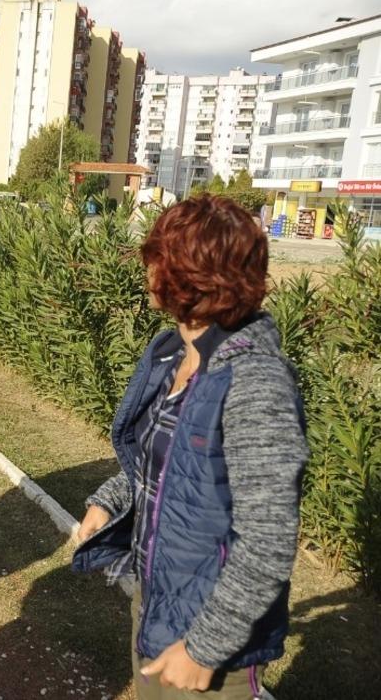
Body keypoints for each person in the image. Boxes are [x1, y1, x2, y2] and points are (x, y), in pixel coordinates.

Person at [73, 195, 308, 698]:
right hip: (159, 601)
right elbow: (164, 461)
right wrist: (111, 500)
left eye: (157, 257)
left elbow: (267, 541)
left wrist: (205, 647)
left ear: (185, 276)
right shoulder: (174, 355)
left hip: (210, 633)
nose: (147, 268)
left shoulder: (255, 383)